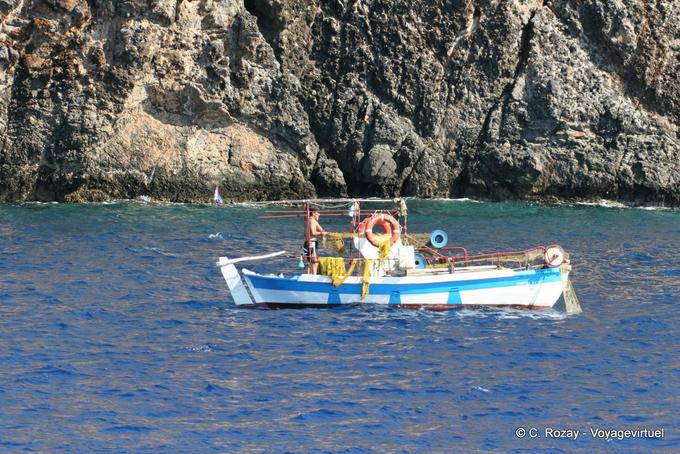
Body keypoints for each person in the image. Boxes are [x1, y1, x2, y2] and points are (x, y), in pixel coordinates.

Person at [305, 209, 324, 274]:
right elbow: (313, 232)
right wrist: (322, 233)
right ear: (313, 213)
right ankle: (314, 277)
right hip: (310, 243)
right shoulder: (312, 220)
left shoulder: (312, 220)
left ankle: (310, 276)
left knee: (311, 262)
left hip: (311, 243)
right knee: (314, 262)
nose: (319, 214)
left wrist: (325, 233)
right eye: (318, 213)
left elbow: (322, 230)